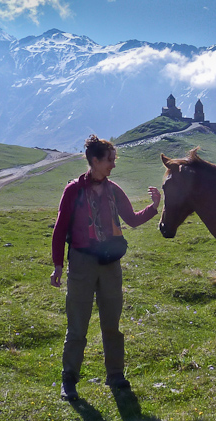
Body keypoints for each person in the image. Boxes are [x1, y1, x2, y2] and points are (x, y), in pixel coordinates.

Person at [51, 134, 161, 401]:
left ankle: (115, 376)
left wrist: (154, 207)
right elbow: (60, 229)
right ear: (95, 160)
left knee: (112, 324)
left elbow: (132, 220)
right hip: (81, 264)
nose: (113, 165)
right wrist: (57, 265)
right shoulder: (73, 191)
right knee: (77, 325)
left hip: (111, 264)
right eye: (109, 160)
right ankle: (69, 381)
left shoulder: (113, 190)